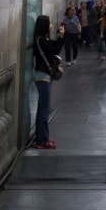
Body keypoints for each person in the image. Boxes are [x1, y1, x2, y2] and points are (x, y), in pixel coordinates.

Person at [30, 15, 63, 149]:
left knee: (43, 108)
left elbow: (53, 45)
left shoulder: (43, 39)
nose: (51, 25)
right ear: (44, 25)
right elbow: (55, 49)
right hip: (42, 77)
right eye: (49, 23)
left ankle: (43, 138)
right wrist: (61, 37)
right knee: (44, 109)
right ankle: (41, 141)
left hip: (44, 76)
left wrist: (60, 36)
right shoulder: (41, 40)